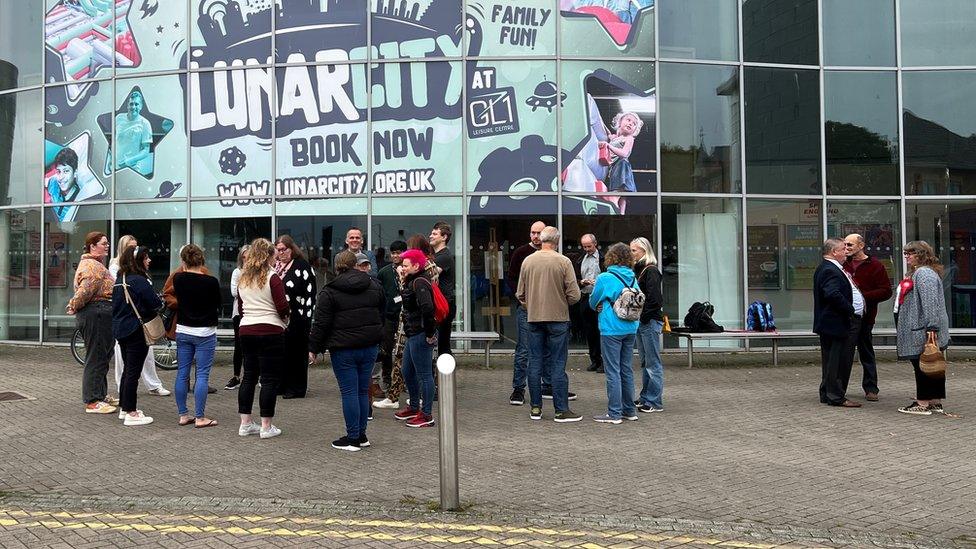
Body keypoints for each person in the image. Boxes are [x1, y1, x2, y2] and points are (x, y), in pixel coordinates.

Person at [309, 251, 386, 451]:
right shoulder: (375, 286)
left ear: (337, 267)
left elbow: (321, 323)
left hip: (343, 349)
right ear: (355, 264)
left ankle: (352, 438)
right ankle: (362, 435)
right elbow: (382, 314)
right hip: (369, 346)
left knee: (349, 392)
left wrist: (313, 348)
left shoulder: (329, 291)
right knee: (362, 390)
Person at [516, 226, 583, 423]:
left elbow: (520, 293)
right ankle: (561, 410)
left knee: (534, 362)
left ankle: (535, 408)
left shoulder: (528, 261)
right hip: (558, 318)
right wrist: (562, 303)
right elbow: (575, 295)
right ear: (557, 241)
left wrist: (532, 305)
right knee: (557, 364)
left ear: (542, 240)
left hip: (534, 318)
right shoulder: (563, 261)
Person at [237, 238, 288, 439]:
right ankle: (266, 426)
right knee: (269, 379)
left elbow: (241, 307)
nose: (276, 259)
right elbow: (282, 306)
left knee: (248, 376)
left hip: (247, 329)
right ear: (268, 255)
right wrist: (285, 318)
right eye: (274, 255)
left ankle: (245, 423)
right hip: (270, 330)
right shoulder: (272, 277)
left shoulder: (243, 277)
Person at [109, 235, 169, 397]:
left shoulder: (138, 273)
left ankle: (151, 385)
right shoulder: (120, 269)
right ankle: (124, 392)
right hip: (132, 318)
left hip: (136, 320)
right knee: (126, 361)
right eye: (131, 247)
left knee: (144, 355)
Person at [895, 241, 951, 416]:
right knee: (933, 364)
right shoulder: (922, 272)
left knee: (923, 365)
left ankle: (923, 403)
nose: (906, 257)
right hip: (923, 327)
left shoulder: (924, 273)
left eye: (910, 253)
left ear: (921, 254)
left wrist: (931, 327)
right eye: (905, 254)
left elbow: (930, 302)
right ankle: (935, 402)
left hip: (923, 329)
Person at [588, 243, 640, 424]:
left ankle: (614, 413)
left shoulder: (605, 277)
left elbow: (593, 300)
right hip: (631, 327)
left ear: (610, 257)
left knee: (612, 371)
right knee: (626, 369)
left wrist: (598, 304)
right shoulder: (632, 277)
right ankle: (630, 410)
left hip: (611, 328)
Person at [67, 231, 118, 414]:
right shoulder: (92, 267)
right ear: (92, 246)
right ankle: (92, 400)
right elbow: (85, 290)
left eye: (107, 243)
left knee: (102, 355)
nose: (107, 246)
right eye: (103, 243)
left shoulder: (95, 264)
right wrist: (73, 305)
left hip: (101, 313)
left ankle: (100, 394)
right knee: (96, 356)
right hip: (96, 314)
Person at [111, 245, 161, 426]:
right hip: (136, 331)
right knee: (133, 371)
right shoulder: (139, 281)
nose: (149, 260)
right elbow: (155, 303)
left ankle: (125, 408)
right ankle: (131, 412)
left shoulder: (119, 279)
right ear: (137, 260)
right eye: (146, 257)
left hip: (121, 330)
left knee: (127, 370)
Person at [171, 244, 221, 428]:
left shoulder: (178, 278)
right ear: (202, 261)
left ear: (183, 261)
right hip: (205, 332)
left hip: (183, 330)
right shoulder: (212, 282)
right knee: (202, 374)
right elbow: (217, 303)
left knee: (182, 373)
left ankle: (183, 414)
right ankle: (200, 417)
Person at [813, 238, 863, 408]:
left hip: (832, 322)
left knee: (831, 360)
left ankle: (827, 392)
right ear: (834, 252)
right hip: (836, 322)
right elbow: (832, 294)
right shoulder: (830, 270)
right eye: (843, 249)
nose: (846, 252)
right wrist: (850, 309)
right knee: (838, 360)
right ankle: (836, 395)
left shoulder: (829, 268)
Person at [843, 233, 893, 402]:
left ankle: (871, 388)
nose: (847, 248)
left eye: (850, 245)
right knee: (844, 353)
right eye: (845, 245)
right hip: (846, 315)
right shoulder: (843, 264)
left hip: (865, 317)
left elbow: (886, 290)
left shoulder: (875, 266)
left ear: (861, 245)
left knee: (866, 352)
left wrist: (863, 296)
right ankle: (839, 388)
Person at [392, 249, 438, 428]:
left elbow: (427, 309)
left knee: (424, 375)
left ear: (416, 266)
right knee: (407, 371)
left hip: (420, 333)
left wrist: (428, 334)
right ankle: (413, 406)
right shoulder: (412, 280)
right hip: (413, 333)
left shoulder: (420, 282)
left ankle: (426, 414)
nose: (402, 268)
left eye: (405, 265)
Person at [162, 251, 217, 395]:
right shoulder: (178, 275)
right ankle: (190, 386)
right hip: (188, 322)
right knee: (191, 366)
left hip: (188, 325)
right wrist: (182, 304)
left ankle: (187, 404)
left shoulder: (196, 274)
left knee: (191, 365)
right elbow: (167, 293)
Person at [274, 235, 316, 399]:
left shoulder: (302, 267)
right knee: (281, 353)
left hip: (299, 319)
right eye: (278, 250)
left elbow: (310, 294)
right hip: (278, 320)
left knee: (297, 354)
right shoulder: (275, 266)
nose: (281, 253)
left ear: (292, 249)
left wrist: (306, 316)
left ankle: (296, 388)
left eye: (284, 249)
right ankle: (281, 385)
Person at [631, 237, 664, 413]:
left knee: (652, 363)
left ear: (644, 251)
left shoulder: (650, 271)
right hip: (644, 321)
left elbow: (655, 300)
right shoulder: (641, 270)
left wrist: (642, 317)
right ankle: (646, 396)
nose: (631, 253)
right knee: (646, 362)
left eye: (634, 250)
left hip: (649, 321)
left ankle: (654, 400)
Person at [373, 240, 407, 406]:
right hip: (389, 316)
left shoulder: (410, 270)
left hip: (405, 317)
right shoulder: (384, 272)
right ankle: (386, 379)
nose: (395, 256)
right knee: (385, 349)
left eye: (399, 252)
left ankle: (404, 380)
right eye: (393, 253)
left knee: (404, 352)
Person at [574, 233, 604, 373]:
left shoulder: (603, 259)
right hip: (585, 296)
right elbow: (575, 278)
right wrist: (582, 282)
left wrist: (597, 283)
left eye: (589, 246)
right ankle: (594, 360)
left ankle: (603, 361)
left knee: (602, 330)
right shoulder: (580, 260)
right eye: (584, 246)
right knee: (590, 331)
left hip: (600, 298)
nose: (587, 249)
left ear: (595, 244)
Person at [225, 245, 249, 390]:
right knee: (239, 345)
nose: (246, 260)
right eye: (244, 257)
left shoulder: (258, 272)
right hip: (238, 312)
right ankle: (236, 376)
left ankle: (253, 375)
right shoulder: (237, 272)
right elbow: (234, 292)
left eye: (249, 257)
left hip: (252, 311)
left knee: (252, 345)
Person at [430, 221, 456, 359]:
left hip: (444, 305)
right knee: (440, 344)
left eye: (435, 234)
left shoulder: (444, 256)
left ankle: (446, 377)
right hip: (439, 304)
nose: (431, 236)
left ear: (444, 237)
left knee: (443, 346)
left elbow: (430, 274)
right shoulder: (436, 256)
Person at [114, 89, 153, 175]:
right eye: (131, 104)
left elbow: (146, 151)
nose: (133, 107)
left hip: (132, 168)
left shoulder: (145, 123)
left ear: (141, 106)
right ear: (128, 105)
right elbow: (114, 140)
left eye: (136, 104)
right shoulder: (118, 118)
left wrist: (129, 161)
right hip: (114, 167)